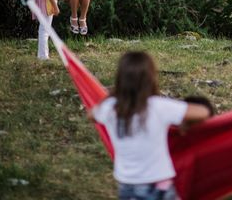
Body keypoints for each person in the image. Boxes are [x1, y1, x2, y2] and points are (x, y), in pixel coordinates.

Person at [89, 51, 211, 200]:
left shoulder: (109, 108)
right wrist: (185, 122)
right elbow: (203, 111)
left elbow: (92, 114)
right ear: (151, 78)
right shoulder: (157, 106)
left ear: (120, 79)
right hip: (158, 186)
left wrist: (113, 94)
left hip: (126, 186)